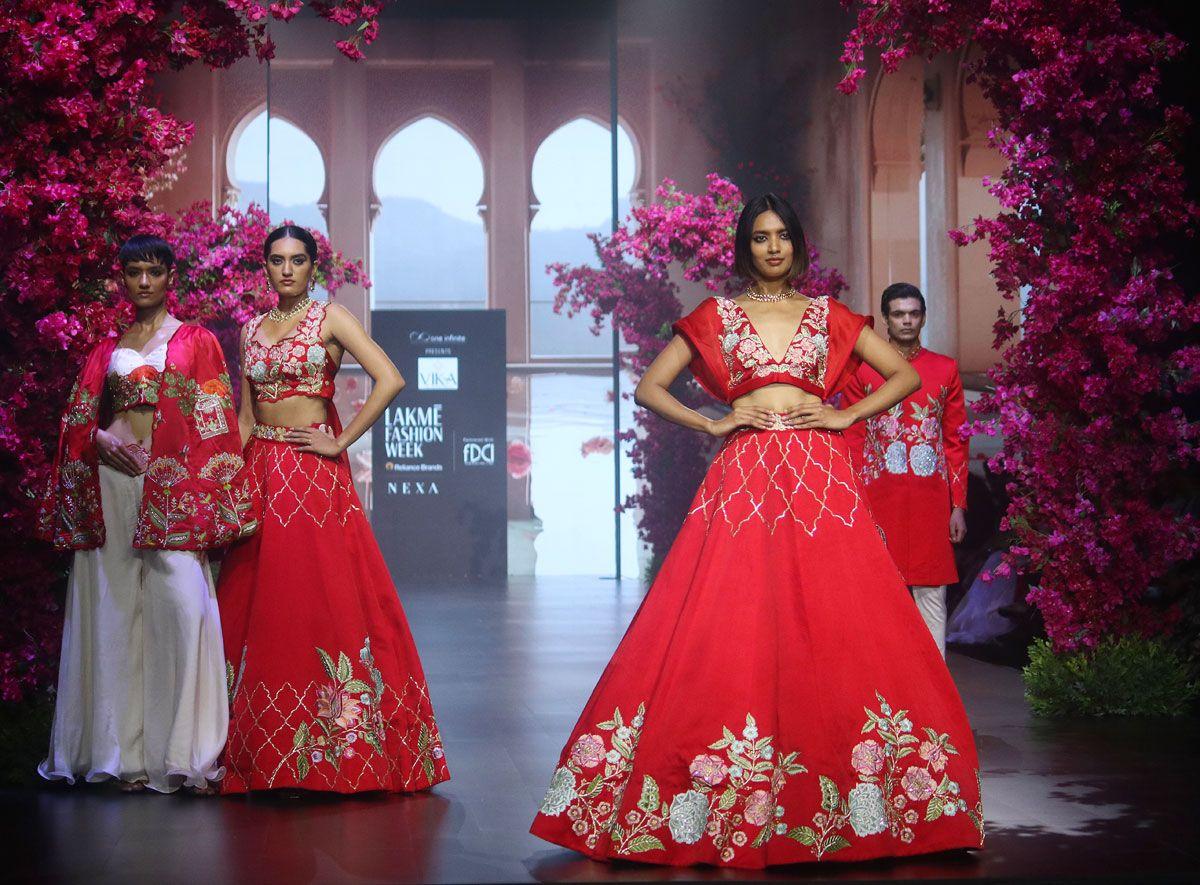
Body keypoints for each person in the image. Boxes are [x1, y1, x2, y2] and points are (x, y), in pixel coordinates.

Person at [530, 195, 983, 867]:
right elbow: (654, 386)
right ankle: (717, 796)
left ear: (798, 245)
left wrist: (839, 418)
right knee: (730, 618)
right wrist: (713, 423)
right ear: (746, 247)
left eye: (783, 237)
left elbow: (905, 374)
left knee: (836, 619)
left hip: (818, 477)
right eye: (761, 237)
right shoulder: (717, 315)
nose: (773, 247)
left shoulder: (829, 314)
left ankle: (870, 798)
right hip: (744, 474)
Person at [216, 225, 449, 794]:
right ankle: (247, 748)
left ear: (314, 267)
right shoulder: (251, 330)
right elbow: (245, 417)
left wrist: (341, 443)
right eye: (277, 260)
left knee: (320, 598)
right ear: (265, 268)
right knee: (258, 601)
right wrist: (226, 479)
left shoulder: (331, 319)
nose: (287, 270)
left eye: (298, 260)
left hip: (313, 473)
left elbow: (390, 378)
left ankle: (336, 749)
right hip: (263, 471)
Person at [37, 234, 253, 794]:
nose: (144, 282)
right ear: (123, 279)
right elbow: (80, 416)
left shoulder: (195, 340)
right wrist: (101, 439)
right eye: (134, 272)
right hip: (113, 483)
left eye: (153, 272)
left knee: (183, 610)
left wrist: (177, 468)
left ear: (170, 277)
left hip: (170, 487)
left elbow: (214, 418)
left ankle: (186, 753)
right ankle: (121, 756)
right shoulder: (107, 347)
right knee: (112, 614)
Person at [841, 283, 969, 657]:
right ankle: (886, 687)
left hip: (932, 503)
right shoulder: (862, 372)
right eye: (899, 313)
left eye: (914, 313)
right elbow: (853, 440)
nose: (907, 320)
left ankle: (935, 694)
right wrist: (854, 505)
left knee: (932, 595)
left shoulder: (945, 370)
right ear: (885, 319)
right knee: (880, 593)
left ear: (924, 317)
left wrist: (958, 505)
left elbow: (956, 442)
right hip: (879, 501)